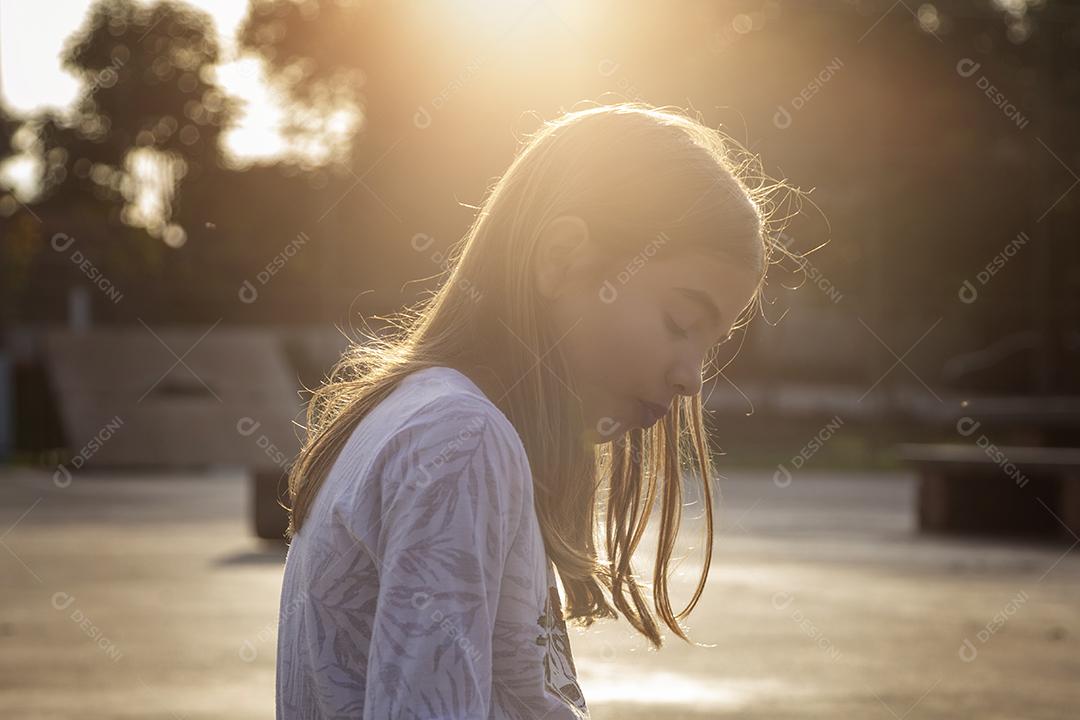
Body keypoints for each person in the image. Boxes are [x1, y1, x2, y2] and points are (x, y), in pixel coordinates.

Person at [275, 101, 797, 718]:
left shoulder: (419, 418)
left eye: (711, 348)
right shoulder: (461, 439)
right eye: (680, 322)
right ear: (560, 258)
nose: (691, 379)